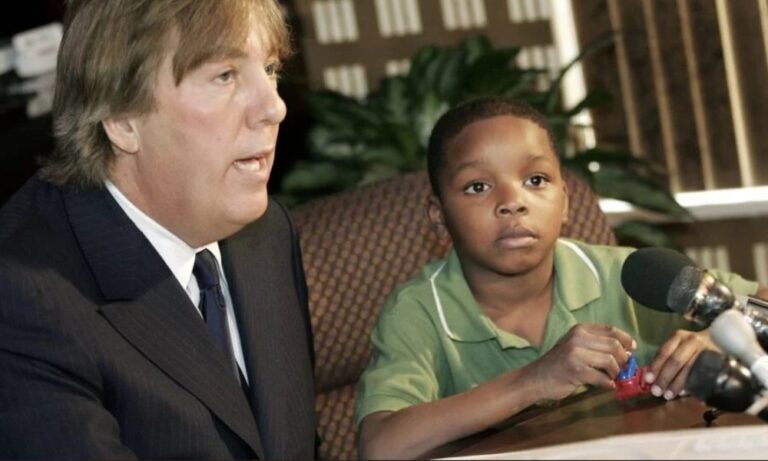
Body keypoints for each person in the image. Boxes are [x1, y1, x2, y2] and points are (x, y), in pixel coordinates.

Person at [354, 96, 768, 459]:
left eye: (535, 180)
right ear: (438, 215)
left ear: (565, 201)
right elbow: (381, 446)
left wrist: (719, 338)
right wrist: (533, 380)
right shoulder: (420, 312)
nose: (513, 202)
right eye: (478, 186)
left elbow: (762, 303)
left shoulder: (626, 275)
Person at [0, 0, 316, 459]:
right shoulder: (22, 297)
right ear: (122, 119)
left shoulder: (266, 234)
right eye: (225, 76)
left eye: (269, 69)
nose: (274, 106)